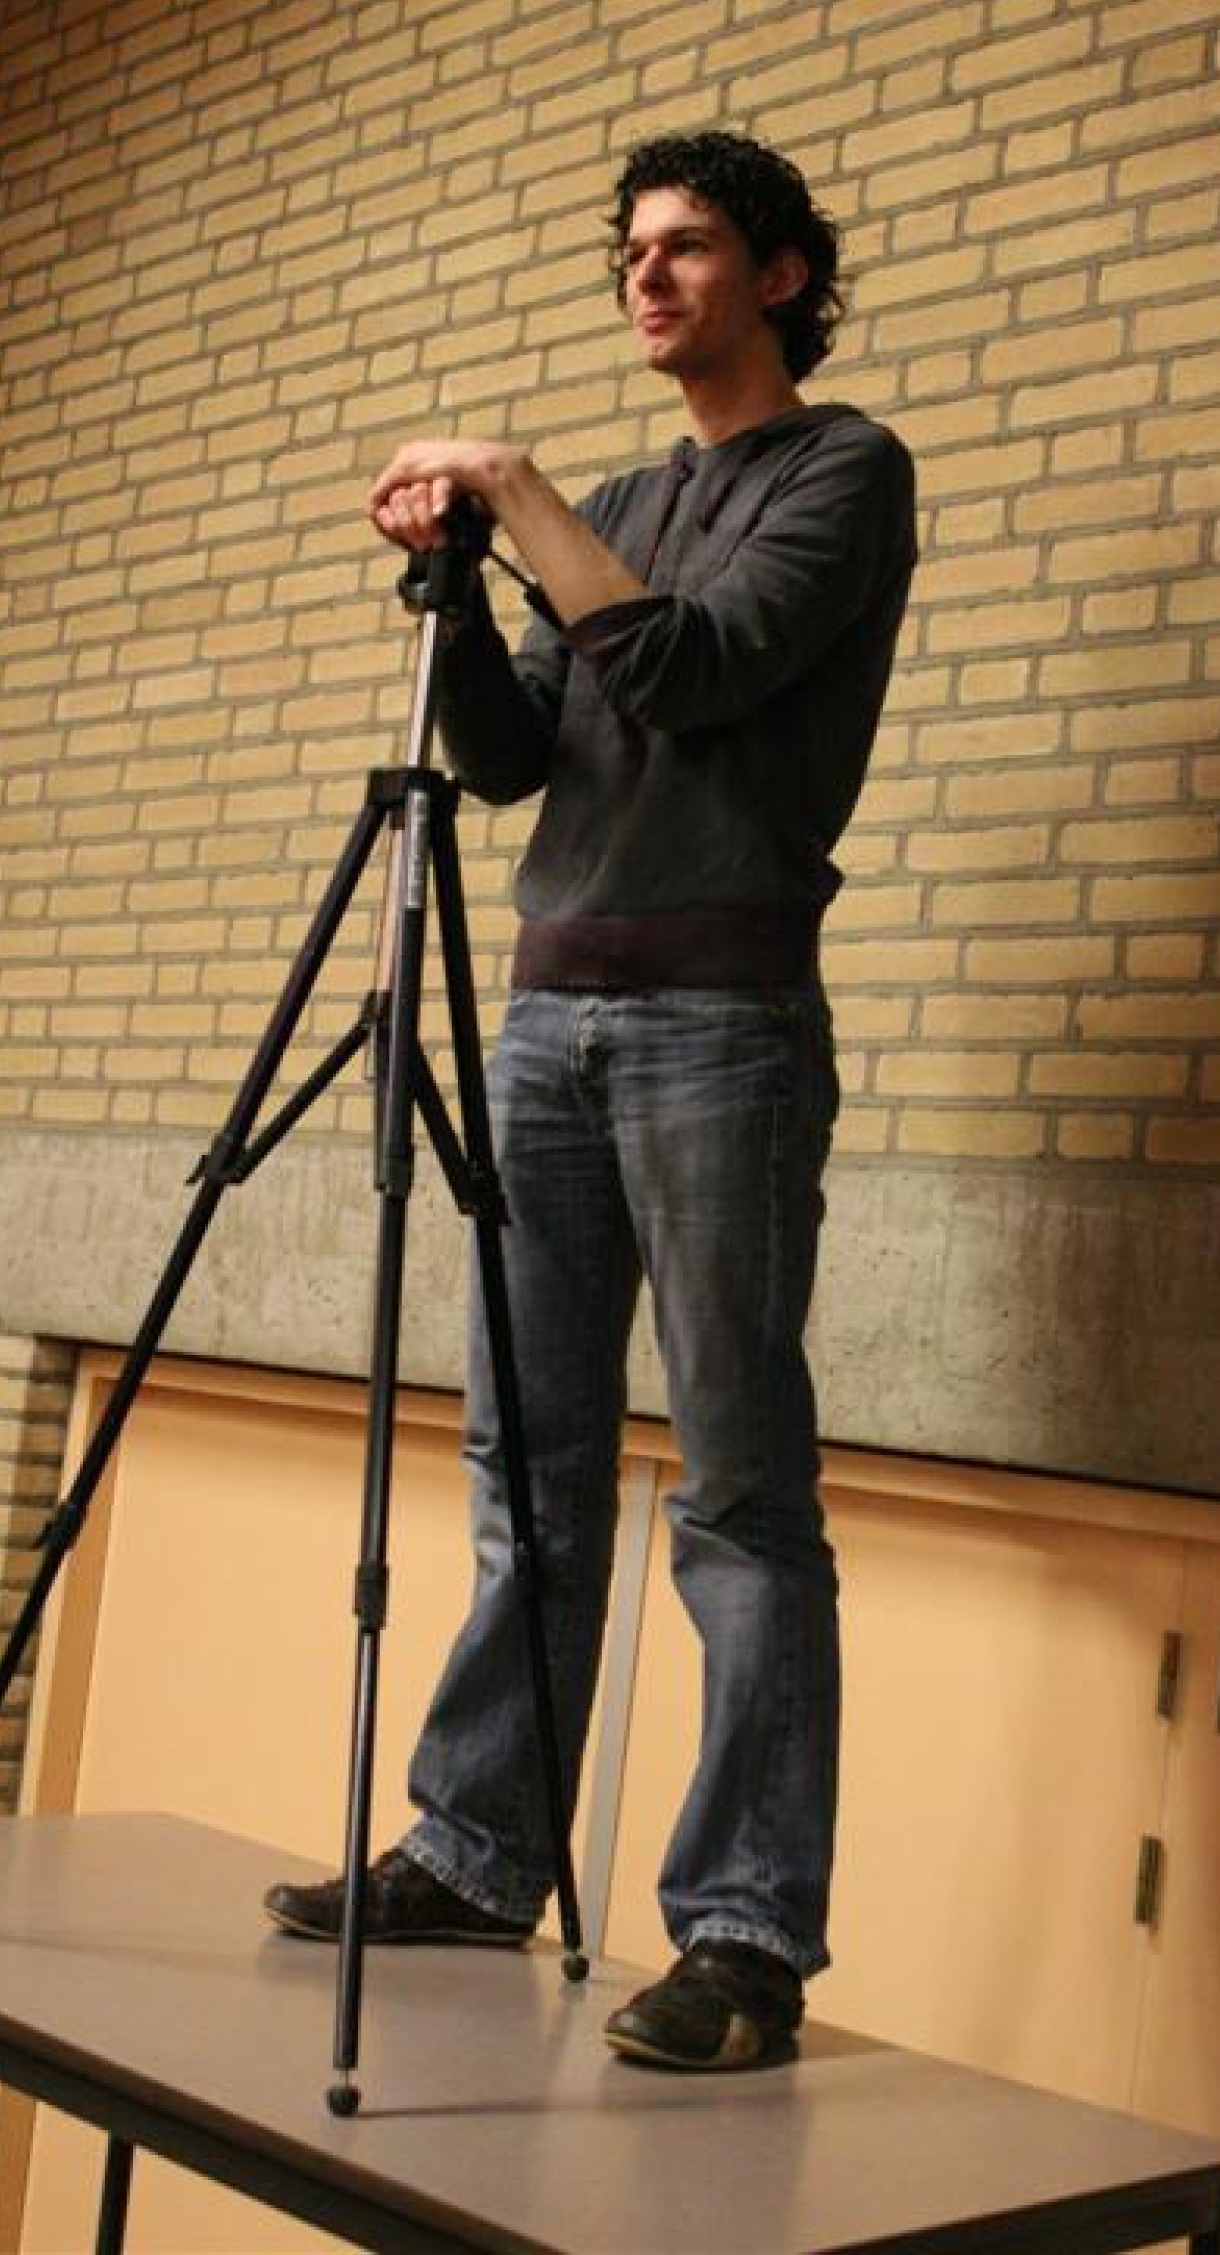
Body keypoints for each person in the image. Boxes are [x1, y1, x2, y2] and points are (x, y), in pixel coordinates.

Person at [266, 127, 917, 2072]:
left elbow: (694, 670)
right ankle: (480, 1851)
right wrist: (462, 588)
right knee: (523, 1463)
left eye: (686, 245)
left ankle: (744, 1938)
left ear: (778, 275)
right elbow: (507, 758)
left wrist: (520, 492)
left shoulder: (841, 469)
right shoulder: (620, 502)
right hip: (549, 1021)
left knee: (737, 1492)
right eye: (630, 249)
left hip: (724, 1022)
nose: (645, 275)